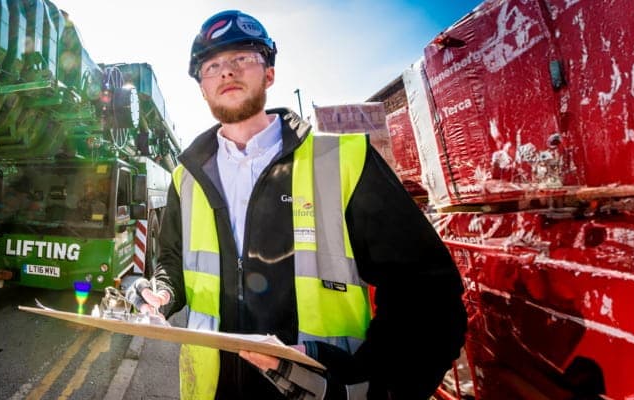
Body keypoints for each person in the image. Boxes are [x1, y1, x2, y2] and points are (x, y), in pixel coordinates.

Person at [136, 10, 466, 400]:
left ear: (269, 74)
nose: (226, 72)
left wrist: (370, 385)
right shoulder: (185, 178)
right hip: (213, 390)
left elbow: (428, 298)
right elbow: (171, 261)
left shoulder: (344, 161)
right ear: (202, 88)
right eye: (212, 66)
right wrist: (161, 291)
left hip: (318, 388)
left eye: (241, 59)